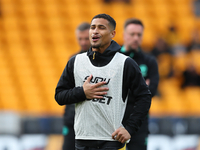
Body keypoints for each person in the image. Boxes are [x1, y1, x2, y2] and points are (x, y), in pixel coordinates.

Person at [55, 13, 151, 150]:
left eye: (101, 27)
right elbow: (59, 96)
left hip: (111, 140)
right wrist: (83, 92)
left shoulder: (125, 63)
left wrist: (129, 129)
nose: (95, 31)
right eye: (93, 27)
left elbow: (144, 97)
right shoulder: (75, 62)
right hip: (82, 140)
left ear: (113, 33)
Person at [120, 18, 159, 150]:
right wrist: (141, 86)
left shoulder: (150, 61)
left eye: (139, 35)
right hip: (114, 121)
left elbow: (151, 91)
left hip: (139, 123)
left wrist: (126, 86)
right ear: (124, 35)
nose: (136, 38)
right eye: (132, 34)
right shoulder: (114, 58)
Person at [62, 22, 91, 150]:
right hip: (72, 119)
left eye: (86, 38)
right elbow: (65, 91)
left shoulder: (103, 61)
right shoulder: (73, 60)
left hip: (91, 122)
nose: (83, 42)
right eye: (80, 39)